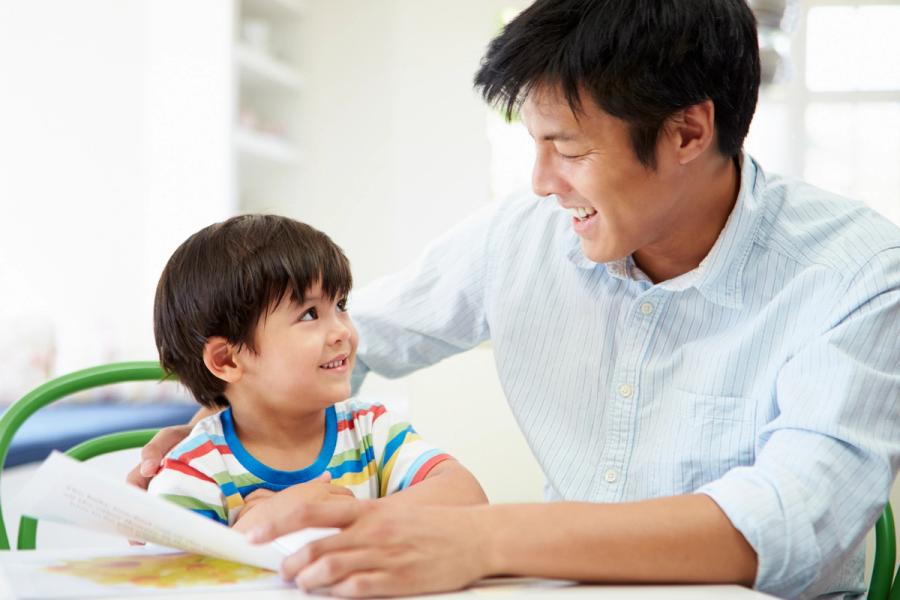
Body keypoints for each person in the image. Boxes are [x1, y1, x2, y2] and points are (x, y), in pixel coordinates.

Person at [130, 0, 900, 597]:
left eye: (569, 149)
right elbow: (356, 336)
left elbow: (791, 518)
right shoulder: (521, 238)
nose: (541, 183)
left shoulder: (854, 271)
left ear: (688, 133)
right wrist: (230, 420)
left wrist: (480, 539)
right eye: (532, 143)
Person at [145, 215, 486, 531]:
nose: (343, 331)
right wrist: (254, 530)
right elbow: (170, 570)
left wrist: (342, 514)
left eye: (340, 306)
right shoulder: (194, 470)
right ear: (227, 361)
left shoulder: (371, 430)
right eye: (309, 314)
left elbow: (468, 496)